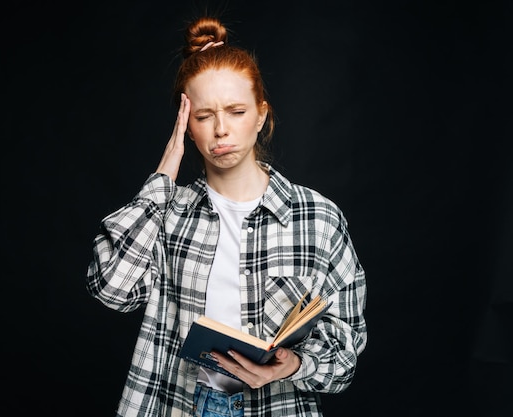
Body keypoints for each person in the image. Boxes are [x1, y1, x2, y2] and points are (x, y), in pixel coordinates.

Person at [86, 15, 367, 417]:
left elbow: (346, 350)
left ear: (261, 115)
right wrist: (164, 174)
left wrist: (295, 365)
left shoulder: (318, 219)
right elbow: (112, 289)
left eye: (236, 111)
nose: (221, 130)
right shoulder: (169, 213)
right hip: (180, 405)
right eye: (203, 117)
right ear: (187, 127)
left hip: (277, 408)